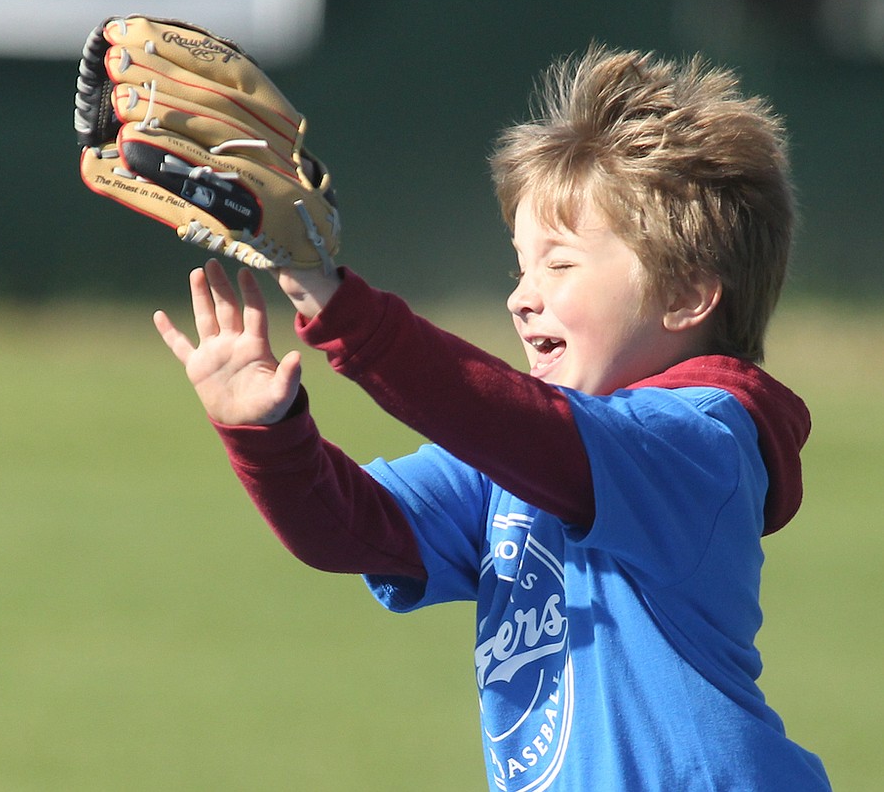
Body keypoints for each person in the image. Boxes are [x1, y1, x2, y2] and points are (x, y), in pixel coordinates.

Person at [152, 45, 832, 790]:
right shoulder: (519, 466)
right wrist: (268, 430)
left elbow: (514, 424)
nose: (521, 295)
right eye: (519, 266)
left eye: (560, 264)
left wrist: (336, 303)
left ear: (686, 297)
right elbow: (354, 528)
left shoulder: (699, 443)